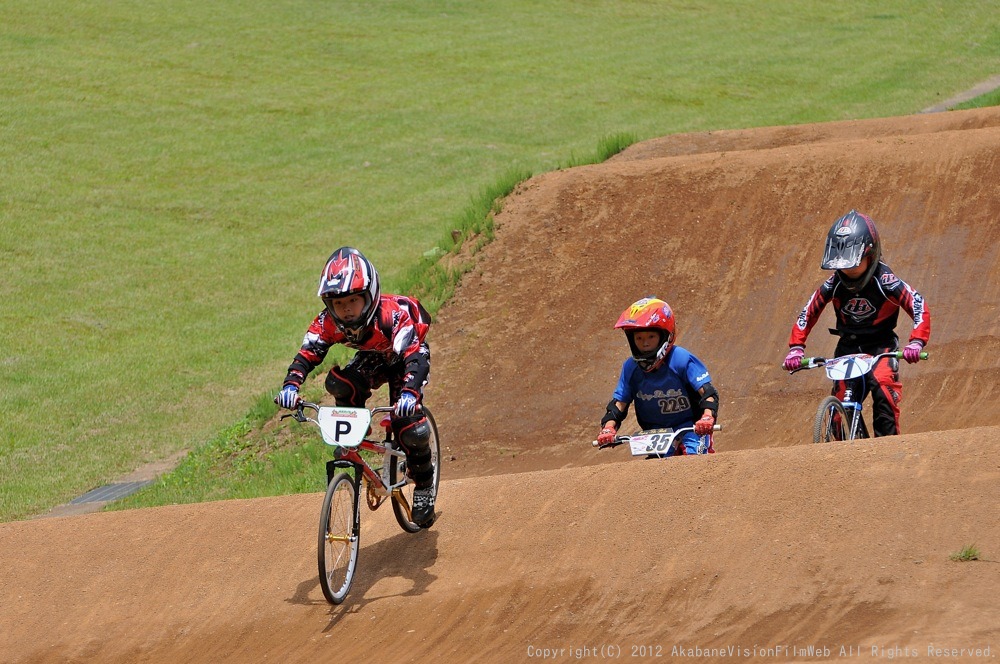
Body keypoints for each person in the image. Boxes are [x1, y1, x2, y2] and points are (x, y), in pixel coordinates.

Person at [275, 247, 437, 526]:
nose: (346, 309)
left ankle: (423, 486)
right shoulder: (327, 323)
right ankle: (353, 433)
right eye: (338, 304)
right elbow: (306, 355)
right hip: (373, 358)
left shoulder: (393, 316)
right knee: (339, 382)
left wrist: (410, 393)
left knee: (410, 426)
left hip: (407, 359)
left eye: (353, 300)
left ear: (370, 296)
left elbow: (414, 357)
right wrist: (291, 386)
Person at [782, 210, 931, 436]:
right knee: (839, 407)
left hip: (881, 346)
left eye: (853, 262)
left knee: (884, 391)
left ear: (870, 254)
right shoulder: (834, 284)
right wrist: (796, 348)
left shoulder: (885, 280)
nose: (847, 269)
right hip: (848, 347)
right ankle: (847, 454)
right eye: (841, 264)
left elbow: (918, 305)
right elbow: (808, 312)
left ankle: (886, 449)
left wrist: (916, 342)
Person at [596, 297, 719, 456]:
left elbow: (708, 393)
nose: (644, 343)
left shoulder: (681, 359)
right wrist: (608, 428)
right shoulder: (630, 367)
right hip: (656, 433)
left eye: (650, 337)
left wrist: (707, 418)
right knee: (655, 471)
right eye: (639, 338)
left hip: (692, 426)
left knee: (695, 457)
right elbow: (619, 404)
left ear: (664, 335)